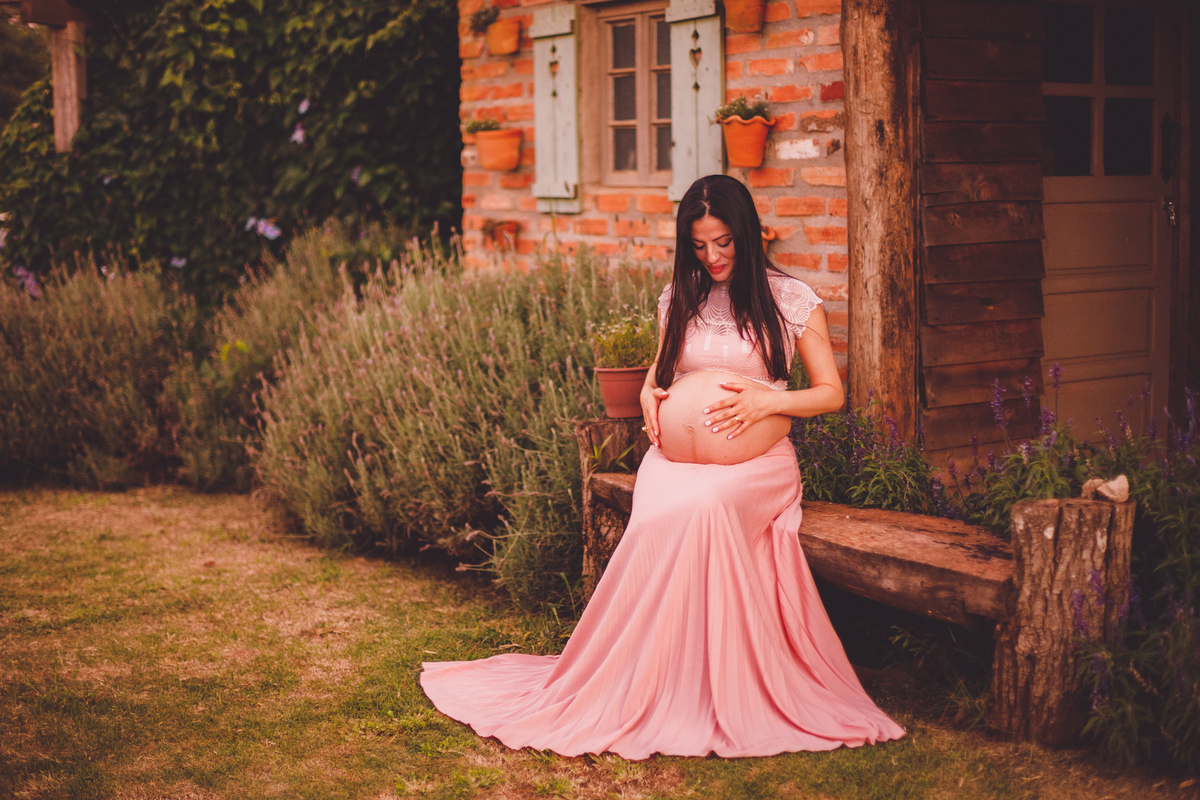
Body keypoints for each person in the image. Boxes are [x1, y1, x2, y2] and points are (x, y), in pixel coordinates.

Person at [420, 175, 905, 759]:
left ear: (747, 234)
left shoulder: (791, 298)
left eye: (723, 242)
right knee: (656, 520)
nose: (714, 257)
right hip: (672, 460)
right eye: (700, 246)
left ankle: (710, 675)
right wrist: (651, 394)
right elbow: (660, 370)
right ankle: (650, 671)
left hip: (756, 464)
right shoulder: (681, 294)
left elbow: (831, 394)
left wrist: (767, 400)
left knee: (705, 508)